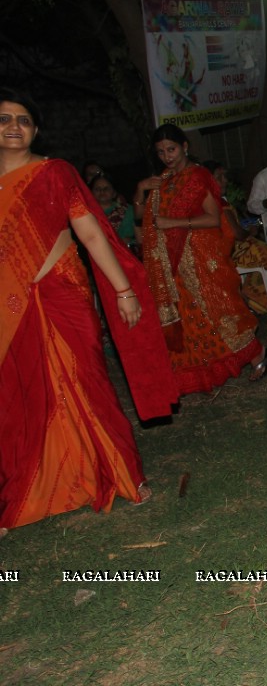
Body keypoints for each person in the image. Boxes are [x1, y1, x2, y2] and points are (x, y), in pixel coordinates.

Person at [0, 88, 176, 538]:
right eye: (5, 119)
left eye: (23, 120)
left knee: (87, 382)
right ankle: (34, 487)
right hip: (8, 304)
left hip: (61, 292)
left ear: (36, 130)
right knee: (20, 393)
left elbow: (92, 234)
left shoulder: (53, 173)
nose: (14, 127)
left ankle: (120, 474)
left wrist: (123, 290)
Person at [134, 125, 267, 394]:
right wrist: (140, 190)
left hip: (199, 259)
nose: (167, 156)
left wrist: (173, 223)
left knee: (220, 313)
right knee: (190, 319)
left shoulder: (198, 176)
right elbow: (143, 220)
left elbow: (212, 218)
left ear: (185, 146)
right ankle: (197, 373)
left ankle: (259, 354)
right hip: (172, 264)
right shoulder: (162, 180)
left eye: (171, 149)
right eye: (161, 152)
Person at [202, 160, 267, 315]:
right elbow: (236, 234)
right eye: (219, 177)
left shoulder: (215, 201)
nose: (225, 181)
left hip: (231, 248)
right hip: (230, 251)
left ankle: (256, 299)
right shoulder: (217, 203)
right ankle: (255, 301)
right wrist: (251, 232)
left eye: (224, 176)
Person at [88, 173, 138, 251]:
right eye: (97, 189)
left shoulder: (128, 211)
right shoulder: (87, 215)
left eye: (106, 188)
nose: (102, 191)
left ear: (114, 193)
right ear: (91, 193)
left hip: (128, 254)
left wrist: (130, 242)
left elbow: (142, 237)